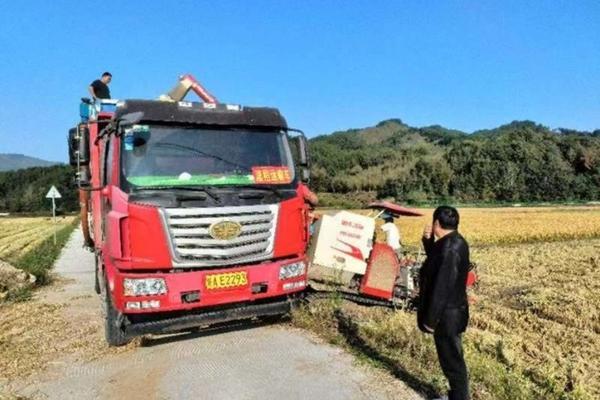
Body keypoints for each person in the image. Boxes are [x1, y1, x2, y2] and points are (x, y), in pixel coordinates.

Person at [418, 206, 470, 400]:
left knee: (453, 363)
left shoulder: (450, 248)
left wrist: (430, 321)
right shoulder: (454, 241)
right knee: (451, 359)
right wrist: (428, 240)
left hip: (447, 316)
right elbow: (435, 259)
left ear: (436, 223)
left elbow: (441, 288)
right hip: (452, 313)